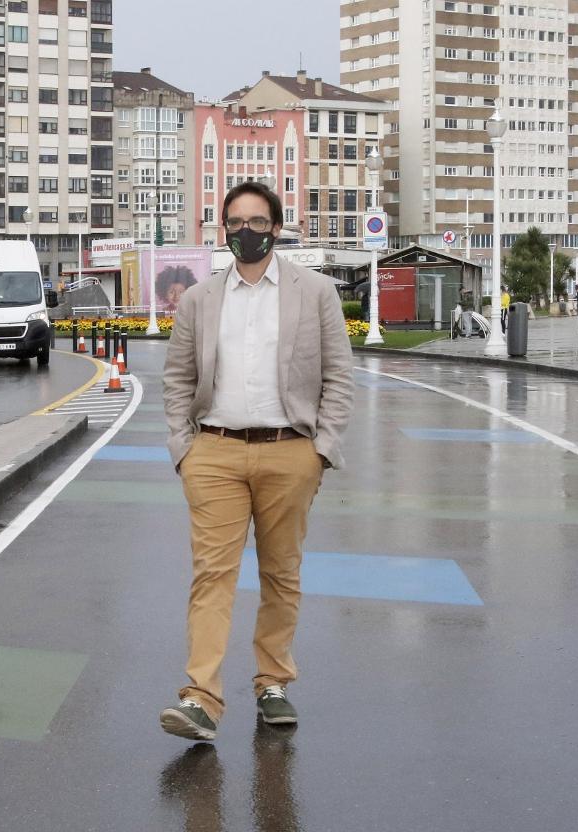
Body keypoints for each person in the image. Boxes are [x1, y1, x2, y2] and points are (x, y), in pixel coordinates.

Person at [160, 182, 355, 740]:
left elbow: (339, 375)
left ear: (276, 225)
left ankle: (272, 683)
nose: (246, 230)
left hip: (289, 451)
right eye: (235, 221)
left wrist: (321, 449)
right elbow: (177, 379)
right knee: (212, 575)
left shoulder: (313, 292)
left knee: (280, 574)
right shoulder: (200, 299)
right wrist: (184, 448)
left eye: (257, 220)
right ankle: (201, 698)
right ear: (224, 229)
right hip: (214, 452)